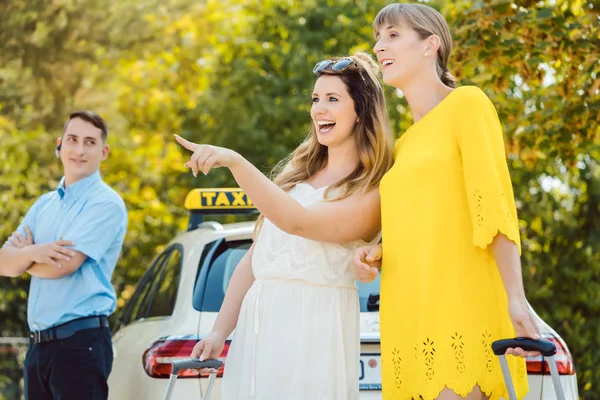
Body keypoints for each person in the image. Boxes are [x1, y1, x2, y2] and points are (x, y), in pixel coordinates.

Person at [174, 52, 394, 399]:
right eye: (316, 99)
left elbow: (298, 222)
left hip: (316, 332)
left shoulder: (371, 189)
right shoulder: (296, 176)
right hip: (260, 328)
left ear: (360, 112)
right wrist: (219, 332)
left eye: (333, 99)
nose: (318, 108)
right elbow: (254, 261)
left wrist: (234, 161)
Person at [352, 4, 541, 400]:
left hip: (461, 309)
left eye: (392, 35)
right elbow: (425, 226)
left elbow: (492, 209)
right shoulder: (402, 146)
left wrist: (516, 298)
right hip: (408, 317)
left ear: (430, 45)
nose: (378, 45)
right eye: (378, 37)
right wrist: (377, 253)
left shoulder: (466, 105)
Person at [0, 111, 128, 400]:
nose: (80, 150)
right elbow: (3, 263)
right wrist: (36, 252)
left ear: (103, 151)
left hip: (80, 345)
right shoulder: (43, 205)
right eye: (72, 139)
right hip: (38, 348)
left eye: (90, 142)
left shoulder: (106, 204)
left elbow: (64, 265)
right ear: (60, 145)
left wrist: (21, 259)